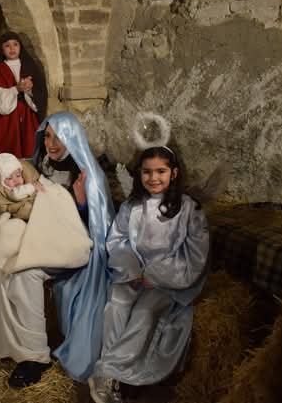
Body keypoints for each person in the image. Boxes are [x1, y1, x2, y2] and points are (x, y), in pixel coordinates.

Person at [0, 111, 114, 388]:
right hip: (37, 236)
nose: (52, 144)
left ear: (72, 138)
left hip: (67, 245)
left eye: (59, 138)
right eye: (47, 136)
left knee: (26, 273)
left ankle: (35, 355)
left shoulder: (85, 173)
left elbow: (96, 225)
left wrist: (80, 203)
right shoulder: (39, 164)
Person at [88, 146, 209, 403]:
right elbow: (118, 240)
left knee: (144, 313)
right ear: (139, 174)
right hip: (133, 273)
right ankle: (115, 377)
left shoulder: (189, 210)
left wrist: (155, 275)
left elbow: (195, 256)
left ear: (173, 173)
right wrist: (132, 269)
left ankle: (108, 370)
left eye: (161, 171)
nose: (153, 178)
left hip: (168, 280)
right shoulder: (132, 206)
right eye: (147, 172)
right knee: (116, 305)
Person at [0, 31, 48, 158]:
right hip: (8, 119)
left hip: (28, 115)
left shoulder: (30, 65)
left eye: (15, 44)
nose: (12, 48)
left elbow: (41, 91)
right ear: (2, 50)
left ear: (20, 47)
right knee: (10, 149)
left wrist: (30, 89)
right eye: (7, 45)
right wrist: (16, 89)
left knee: (30, 146)